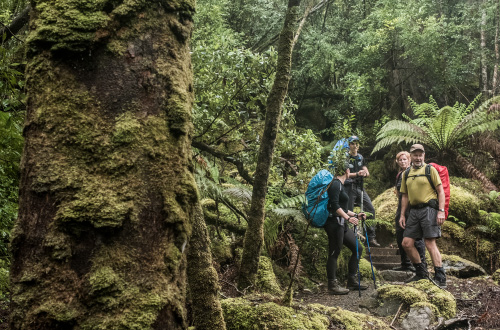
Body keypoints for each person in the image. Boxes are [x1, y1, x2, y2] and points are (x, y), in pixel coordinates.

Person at [399, 144, 447, 288]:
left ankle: (440, 276)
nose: (418, 157)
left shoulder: (429, 170)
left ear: (424, 155)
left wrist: (441, 211)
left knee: (429, 243)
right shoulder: (406, 174)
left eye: (420, 155)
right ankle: (421, 273)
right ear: (411, 156)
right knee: (406, 243)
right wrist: (402, 215)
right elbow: (405, 196)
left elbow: (441, 191)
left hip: (429, 209)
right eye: (415, 155)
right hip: (413, 211)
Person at [325, 161, 369, 295]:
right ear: (347, 171)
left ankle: (352, 280)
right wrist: (348, 218)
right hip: (334, 223)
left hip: (341, 223)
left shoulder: (341, 185)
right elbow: (334, 206)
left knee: (358, 248)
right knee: (334, 252)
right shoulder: (335, 184)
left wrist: (355, 215)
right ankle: (332, 284)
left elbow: (343, 208)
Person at [344, 136, 380, 247]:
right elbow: (347, 174)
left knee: (370, 209)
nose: (355, 146)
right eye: (352, 143)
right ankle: (349, 237)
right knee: (349, 211)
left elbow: (366, 172)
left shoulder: (360, 157)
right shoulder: (346, 157)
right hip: (349, 187)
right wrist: (357, 174)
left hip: (360, 187)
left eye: (356, 143)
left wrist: (364, 173)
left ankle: (371, 237)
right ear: (349, 145)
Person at [393, 151, 426, 272]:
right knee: (400, 233)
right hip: (401, 206)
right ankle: (405, 263)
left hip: (412, 207)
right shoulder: (399, 174)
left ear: (409, 160)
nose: (402, 161)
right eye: (400, 160)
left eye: (404, 159)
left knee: (415, 236)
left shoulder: (413, 173)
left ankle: (421, 265)